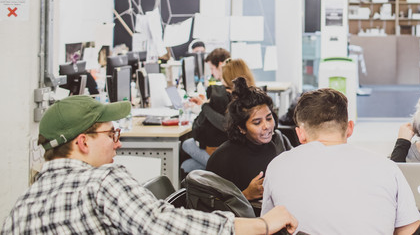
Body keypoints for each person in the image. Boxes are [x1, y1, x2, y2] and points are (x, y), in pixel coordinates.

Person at [2, 95, 297, 234]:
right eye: (111, 134)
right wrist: (262, 225)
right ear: (82, 142)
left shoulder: (19, 210)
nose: (118, 143)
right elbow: (163, 226)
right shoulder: (101, 182)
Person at [261, 88, 420, 235]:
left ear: (300, 134)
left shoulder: (277, 166)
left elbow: (267, 227)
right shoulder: (387, 168)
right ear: (350, 128)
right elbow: (410, 230)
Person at [207, 77, 293, 203]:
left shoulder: (275, 144)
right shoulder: (224, 158)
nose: (267, 126)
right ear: (241, 128)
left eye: (269, 118)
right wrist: (246, 195)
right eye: (257, 122)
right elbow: (209, 205)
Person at [182, 58, 254, 173]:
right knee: (188, 165)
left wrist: (205, 106)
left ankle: (221, 170)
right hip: (243, 153)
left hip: (233, 157)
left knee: (186, 144)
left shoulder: (229, 98)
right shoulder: (251, 95)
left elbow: (225, 123)